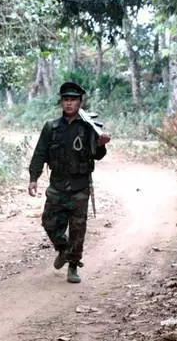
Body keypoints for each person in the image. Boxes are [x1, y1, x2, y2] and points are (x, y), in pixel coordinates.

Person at [27, 82, 111, 284]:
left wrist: (101, 145)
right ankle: (62, 248)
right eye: (65, 99)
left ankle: (73, 265)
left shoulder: (89, 127)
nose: (69, 103)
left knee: (77, 228)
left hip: (80, 186)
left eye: (73, 100)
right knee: (49, 221)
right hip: (57, 184)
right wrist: (33, 177)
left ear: (80, 102)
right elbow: (40, 153)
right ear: (61, 103)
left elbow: (98, 155)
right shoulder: (51, 127)